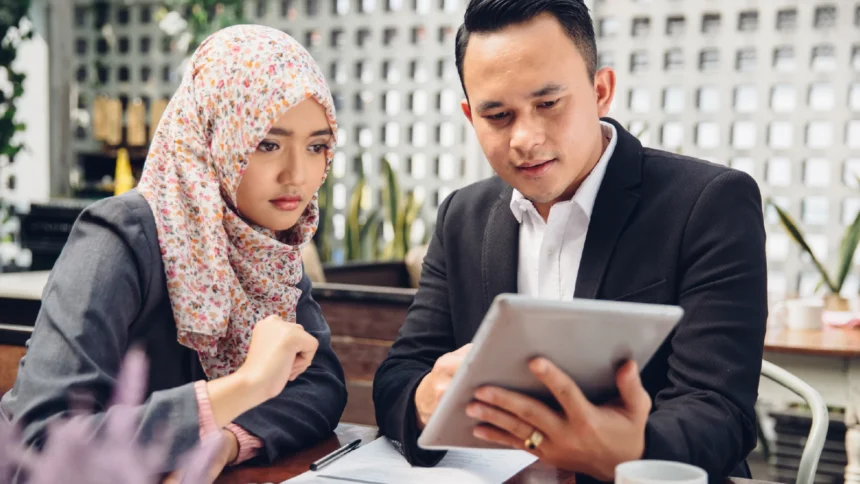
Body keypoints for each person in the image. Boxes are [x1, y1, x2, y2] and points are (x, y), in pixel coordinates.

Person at [372, 0, 767, 482]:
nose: (525, 138)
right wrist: (423, 400)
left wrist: (632, 452)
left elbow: (720, 411)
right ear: (471, 117)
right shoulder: (462, 215)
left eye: (548, 104)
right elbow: (400, 375)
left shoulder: (709, 203)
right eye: (498, 115)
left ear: (601, 91)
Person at [0, 25, 347, 479]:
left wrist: (225, 442)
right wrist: (245, 386)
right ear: (213, 136)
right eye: (267, 143)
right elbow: (42, 442)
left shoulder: (266, 246)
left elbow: (321, 383)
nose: (297, 174)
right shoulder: (119, 236)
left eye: (317, 146)